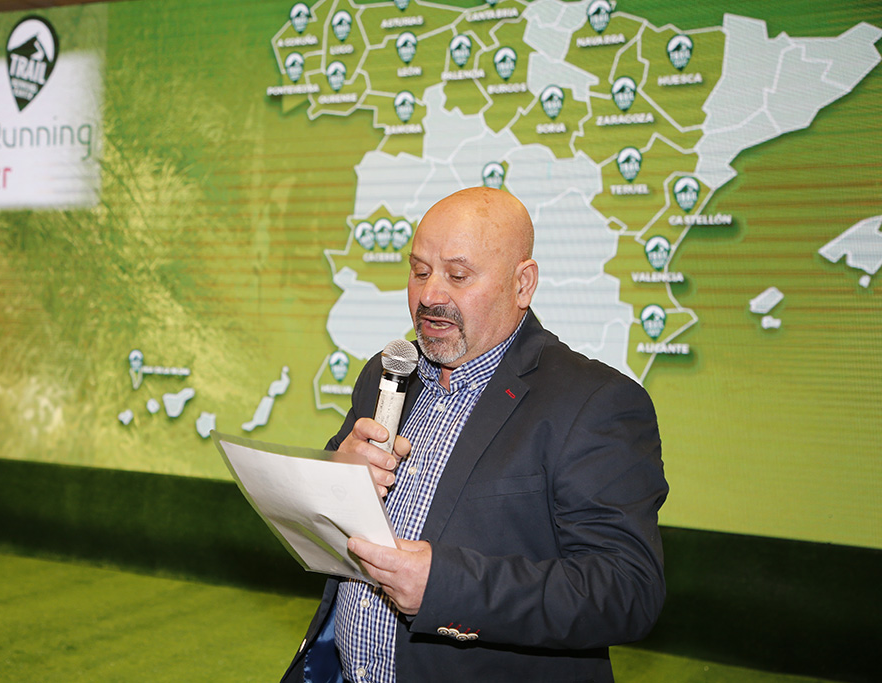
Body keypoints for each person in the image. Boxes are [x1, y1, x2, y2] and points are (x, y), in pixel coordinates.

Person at [281, 187, 668, 682]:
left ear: (522, 284)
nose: (430, 296)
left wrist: (444, 588)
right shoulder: (387, 373)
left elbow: (626, 591)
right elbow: (327, 528)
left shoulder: (595, 402)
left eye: (458, 276)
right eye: (420, 271)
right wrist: (339, 479)